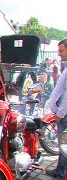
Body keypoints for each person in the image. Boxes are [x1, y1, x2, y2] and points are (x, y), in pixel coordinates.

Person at [46, 38, 67, 179]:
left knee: (65, 147)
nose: (59, 54)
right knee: (62, 147)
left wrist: (60, 113)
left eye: (61, 50)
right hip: (61, 113)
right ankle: (59, 171)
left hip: (64, 115)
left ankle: (61, 175)